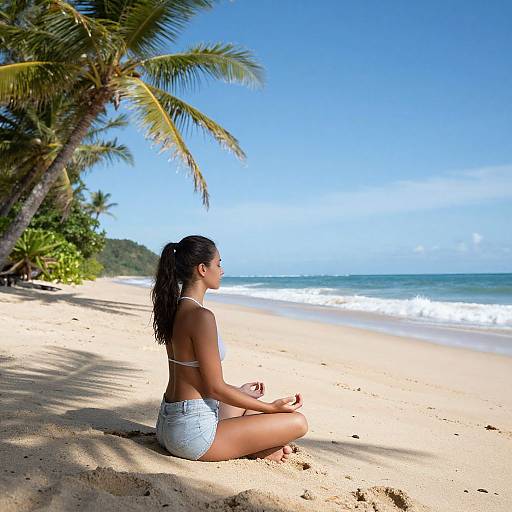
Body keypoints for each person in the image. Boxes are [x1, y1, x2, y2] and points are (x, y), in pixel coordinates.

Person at [152, 235, 308, 462]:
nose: (222, 270)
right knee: (298, 422)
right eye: (218, 263)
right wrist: (271, 407)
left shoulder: (174, 310)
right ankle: (256, 449)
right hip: (192, 435)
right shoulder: (201, 316)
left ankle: (258, 447)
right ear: (202, 269)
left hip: (169, 424)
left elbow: (197, 379)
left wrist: (241, 392)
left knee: (251, 410)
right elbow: (215, 388)